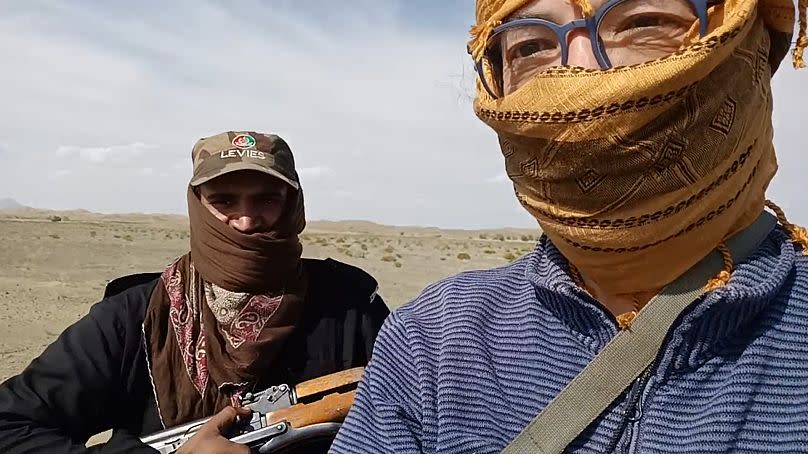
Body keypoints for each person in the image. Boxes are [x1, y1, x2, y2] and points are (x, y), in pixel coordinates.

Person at [331, 0, 808, 452]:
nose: (577, 72)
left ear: (747, 40)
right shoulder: (436, 341)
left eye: (643, 21)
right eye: (530, 46)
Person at [0, 131, 390, 453]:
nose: (245, 219)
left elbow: (405, 418)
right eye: (223, 200)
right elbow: (11, 426)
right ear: (198, 206)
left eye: (267, 199)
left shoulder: (350, 306)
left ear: (293, 205)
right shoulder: (134, 317)